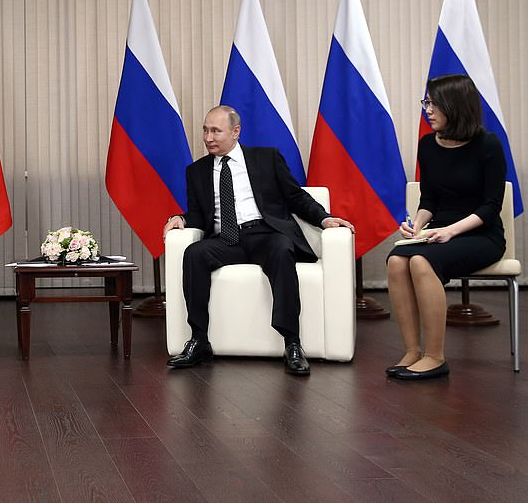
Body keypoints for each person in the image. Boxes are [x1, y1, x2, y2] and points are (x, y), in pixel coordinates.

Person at [164, 105, 354, 375]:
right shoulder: (196, 171)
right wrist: (181, 218)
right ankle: (199, 340)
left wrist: (324, 219)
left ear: (236, 132)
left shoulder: (266, 158)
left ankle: (292, 343)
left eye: (216, 131)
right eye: (205, 131)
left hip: (264, 234)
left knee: (282, 248)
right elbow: (197, 214)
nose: (208, 138)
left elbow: (295, 197)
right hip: (226, 240)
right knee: (194, 253)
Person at [386, 75, 506, 380]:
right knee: (397, 261)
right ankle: (412, 351)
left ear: (455, 105)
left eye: (433, 103)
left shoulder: (488, 145)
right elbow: (429, 199)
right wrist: (416, 225)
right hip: (437, 231)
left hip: (481, 234)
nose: (427, 109)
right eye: (426, 102)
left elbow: (491, 207)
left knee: (421, 261)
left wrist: (451, 230)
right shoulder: (428, 145)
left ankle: (435, 357)